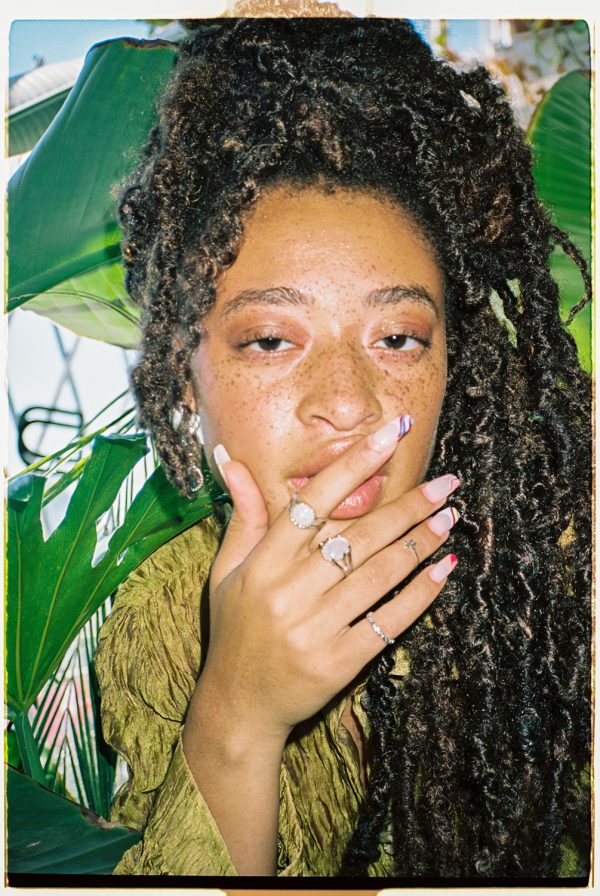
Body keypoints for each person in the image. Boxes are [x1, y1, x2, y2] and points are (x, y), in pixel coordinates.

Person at [94, 18, 591, 879]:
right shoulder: (154, 617)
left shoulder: (557, 572)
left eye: (397, 339)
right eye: (270, 341)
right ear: (186, 374)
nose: (348, 405)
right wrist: (236, 720)